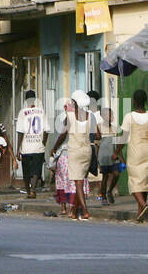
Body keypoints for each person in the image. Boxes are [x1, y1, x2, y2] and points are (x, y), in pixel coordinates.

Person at [50, 91, 98, 221]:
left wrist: (54, 148)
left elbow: (63, 134)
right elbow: (97, 135)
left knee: (78, 182)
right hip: (87, 151)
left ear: (75, 102)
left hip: (74, 152)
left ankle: (85, 210)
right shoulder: (90, 116)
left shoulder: (70, 116)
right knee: (80, 180)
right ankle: (74, 211)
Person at [119, 89, 148, 221]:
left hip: (135, 151)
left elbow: (124, 138)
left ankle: (143, 205)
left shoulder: (129, 116)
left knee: (133, 181)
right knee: (143, 180)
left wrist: (116, 151)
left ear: (134, 101)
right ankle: (140, 214)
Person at [14, 91, 48, 198]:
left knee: (26, 172)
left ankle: (29, 191)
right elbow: (46, 130)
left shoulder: (22, 112)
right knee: (36, 171)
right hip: (38, 147)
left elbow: (20, 132)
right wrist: (43, 142)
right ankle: (32, 190)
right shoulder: (41, 112)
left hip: (26, 147)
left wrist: (18, 148)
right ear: (34, 99)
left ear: (25, 100)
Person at [96, 106, 121, 205]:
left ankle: (109, 191)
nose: (110, 117)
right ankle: (103, 197)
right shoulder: (99, 127)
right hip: (103, 157)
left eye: (111, 115)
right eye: (107, 115)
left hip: (113, 155)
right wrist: (97, 159)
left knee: (116, 174)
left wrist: (121, 158)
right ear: (102, 116)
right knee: (105, 177)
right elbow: (97, 144)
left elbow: (118, 145)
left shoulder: (115, 128)